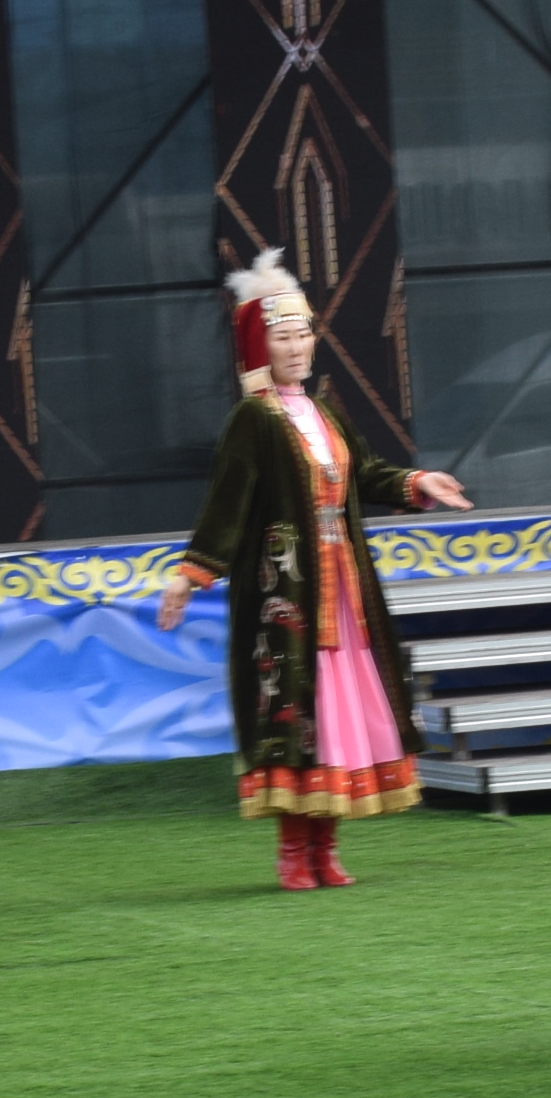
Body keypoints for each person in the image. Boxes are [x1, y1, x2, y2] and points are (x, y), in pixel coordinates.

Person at [154, 255, 470, 889]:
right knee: (294, 707)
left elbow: (365, 473)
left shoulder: (324, 413)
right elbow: (227, 505)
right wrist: (190, 575)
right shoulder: (254, 420)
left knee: (338, 712)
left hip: (343, 590)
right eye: (283, 336)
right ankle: (293, 850)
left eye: (303, 334)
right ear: (259, 346)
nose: (297, 347)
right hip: (286, 593)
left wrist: (416, 482)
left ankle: (326, 846)